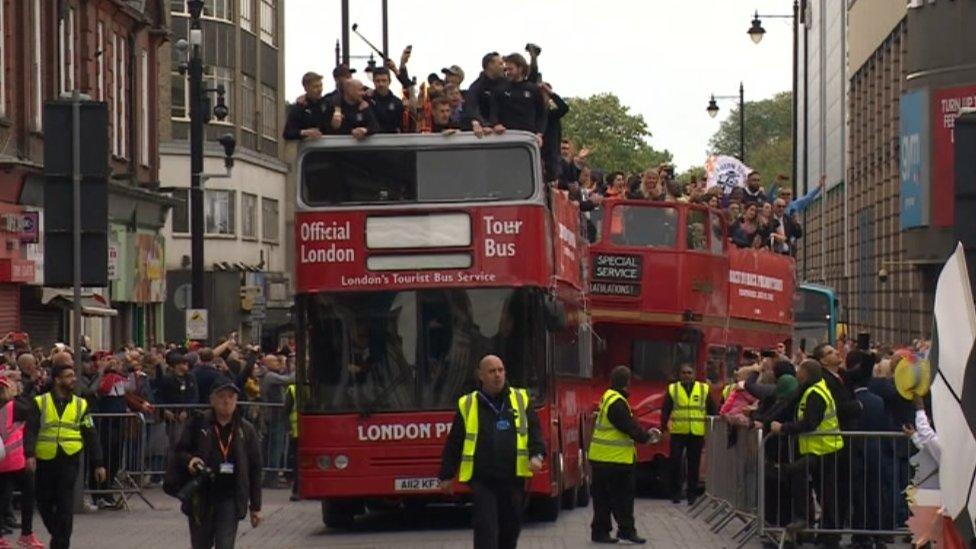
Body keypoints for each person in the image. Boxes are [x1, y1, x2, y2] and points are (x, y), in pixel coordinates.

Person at [438, 355, 545, 549]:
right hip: (483, 481)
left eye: (500, 370)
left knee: (510, 530)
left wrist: (536, 455)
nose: (497, 375)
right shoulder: (468, 404)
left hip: (513, 479)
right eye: (491, 371)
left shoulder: (520, 399)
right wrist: (446, 474)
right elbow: (455, 441)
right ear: (481, 375)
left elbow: (535, 432)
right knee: (485, 530)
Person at [169, 377, 262, 549]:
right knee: (200, 544)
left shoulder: (245, 429)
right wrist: (190, 460)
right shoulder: (198, 424)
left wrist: (255, 506)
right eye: (221, 396)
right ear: (212, 399)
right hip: (202, 496)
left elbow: (255, 469)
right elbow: (179, 452)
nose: (226, 401)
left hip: (230, 497)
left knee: (225, 544)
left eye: (231, 397)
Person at [34, 353, 106, 549]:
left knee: (65, 504)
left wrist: (98, 463)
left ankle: (61, 543)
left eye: (74, 376)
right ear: (57, 380)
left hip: (69, 459)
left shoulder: (80, 404)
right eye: (68, 376)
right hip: (45, 458)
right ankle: (58, 535)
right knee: (44, 502)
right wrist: (29, 455)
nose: (73, 379)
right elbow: (31, 431)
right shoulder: (41, 402)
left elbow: (91, 433)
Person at [771, 359, 844, 548]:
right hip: (818, 449)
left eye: (799, 370)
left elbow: (810, 423)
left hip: (824, 449)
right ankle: (814, 529)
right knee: (816, 490)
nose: (797, 374)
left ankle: (827, 536)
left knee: (824, 494)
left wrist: (783, 427)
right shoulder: (813, 389)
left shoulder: (815, 393)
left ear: (806, 373)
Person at [588, 366, 651, 545]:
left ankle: (600, 532)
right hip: (615, 459)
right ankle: (626, 530)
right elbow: (628, 426)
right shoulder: (617, 402)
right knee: (623, 497)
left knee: (602, 498)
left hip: (601, 457)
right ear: (626, 383)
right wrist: (645, 437)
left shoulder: (607, 397)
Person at [660, 363, 716, 504]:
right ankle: (676, 493)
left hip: (696, 432)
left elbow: (712, 410)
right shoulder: (673, 389)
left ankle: (692, 494)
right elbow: (665, 409)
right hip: (678, 431)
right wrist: (664, 428)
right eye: (684, 373)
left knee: (694, 464)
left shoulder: (703, 389)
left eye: (689, 372)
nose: (687, 375)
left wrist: (711, 429)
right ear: (680, 375)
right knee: (676, 462)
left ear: (694, 374)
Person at [0, 377, 42, 549]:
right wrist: (24, 392)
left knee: (3, 498)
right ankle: (26, 534)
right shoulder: (13, 406)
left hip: (4, 459)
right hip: (16, 459)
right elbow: (31, 408)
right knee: (27, 496)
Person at [490, 53, 547, 146]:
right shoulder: (500, 89)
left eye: (510, 69)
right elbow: (494, 110)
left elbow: (542, 114)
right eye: (506, 69)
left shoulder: (533, 89)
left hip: (528, 139)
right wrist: (495, 124)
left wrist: (539, 134)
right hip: (506, 137)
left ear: (520, 69)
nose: (508, 72)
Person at [463, 52, 505, 136]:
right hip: (486, 133)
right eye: (500, 64)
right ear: (490, 65)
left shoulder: (505, 84)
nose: (504, 67)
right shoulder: (477, 87)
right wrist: (484, 124)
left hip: (506, 130)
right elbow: (471, 107)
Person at [282, 71, 331, 141]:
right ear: (306, 88)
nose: (320, 90)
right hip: (309, 150)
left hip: (329, 147)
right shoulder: (299, 107)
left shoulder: (327, 103)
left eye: (321, 85)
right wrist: (305, 132)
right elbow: (287, 133)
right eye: (315, 87)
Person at [369, 67, 404, 134]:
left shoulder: (397, 103)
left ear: (389, 81)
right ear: (373, 81)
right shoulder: (368, 101)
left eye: (384, 80)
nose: (381, 84)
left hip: (392, 141)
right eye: (378, 81)